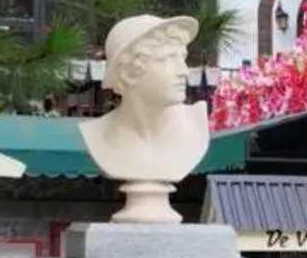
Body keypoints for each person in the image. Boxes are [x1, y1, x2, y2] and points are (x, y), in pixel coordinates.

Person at [80, 15, 210, 223]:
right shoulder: (98, 135)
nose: (184, 71)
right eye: (168, 59)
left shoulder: (195, 127)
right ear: (129, 72)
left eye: (182, 58)